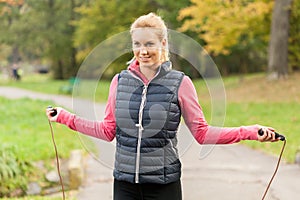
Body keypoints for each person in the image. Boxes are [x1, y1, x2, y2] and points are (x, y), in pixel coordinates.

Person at [46, 12, 280, 200]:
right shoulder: (119, 82)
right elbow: (107, 131)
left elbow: (202, 133)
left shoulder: (181, 83)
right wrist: (65, 117)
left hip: (163, 186)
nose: (143, 51)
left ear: (163, 43)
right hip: (125, 185)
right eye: (137, 44)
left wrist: (249, 132)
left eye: (149, 43)